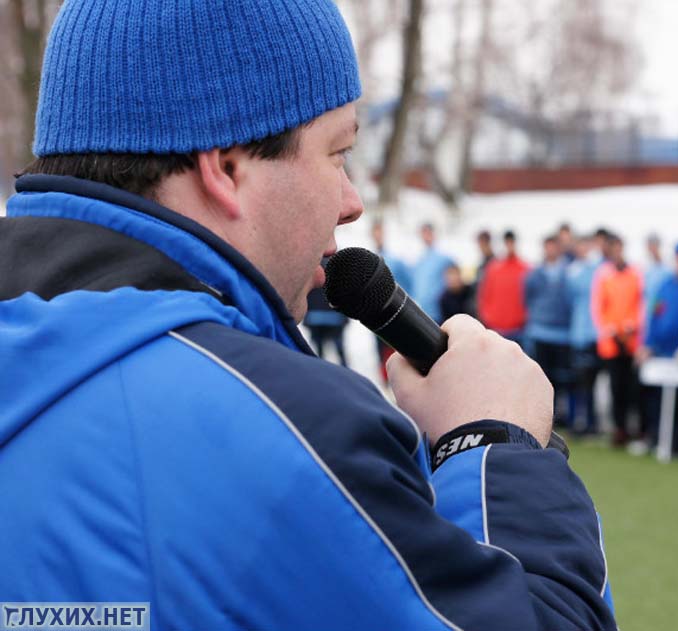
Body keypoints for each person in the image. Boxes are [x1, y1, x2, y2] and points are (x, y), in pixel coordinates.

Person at [0, 2, 617, 629]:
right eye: (337, 152)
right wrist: (493, 448)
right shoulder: (282, 428)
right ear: (228, 167)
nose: (351, 202)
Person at [640, 242, 678, 457]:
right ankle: (663, 440)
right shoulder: (665, 285)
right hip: (663, 352)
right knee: (660, 400)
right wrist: (648, 344)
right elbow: (655, 316)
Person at [592, 235, 643, 447]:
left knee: (633, 388)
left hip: (631, 341)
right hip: (612, 342)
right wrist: (608, 329)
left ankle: (634, 429)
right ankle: (619, 429)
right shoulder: (604, 276)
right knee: (616, 388)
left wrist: (633, 325)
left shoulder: (634, 275)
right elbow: (598, 307)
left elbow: (640, 303)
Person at [525, 236, 574, 424]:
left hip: (562, 334)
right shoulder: (535, 274)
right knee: (542, 377)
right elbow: (528, 298)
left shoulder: (569, 272)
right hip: (541, 332)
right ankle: (543, 416)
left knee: (561, 378)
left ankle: (561, 415)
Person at [567, 235, 604, 434]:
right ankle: (578, 421)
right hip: (578, 334)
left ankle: (591, 421)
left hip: (593, 333)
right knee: (578, 380)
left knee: (591, 381)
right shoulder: (574, 270)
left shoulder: (595, 269)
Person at [372, 219, 413, 383]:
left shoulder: (395, 260)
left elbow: (408, 284)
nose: (378, 236)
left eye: (380, 232)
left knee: (397, 352)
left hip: (395, 315)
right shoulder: (369, 259)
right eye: (375, 233)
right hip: (374, 316)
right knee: (380, 353)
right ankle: (385, 382)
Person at [478, 230, 530, 342]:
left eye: (512, 242)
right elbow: (484, 295)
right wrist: (488, 316)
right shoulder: (493, 268)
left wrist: (523, 318)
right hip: (495, 328)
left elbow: (530, 298)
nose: (509, 246)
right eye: (507, 243)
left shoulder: (525, 269)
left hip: (518, 329)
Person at [411, 222, 455, 322]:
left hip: (441, 313)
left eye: (428, 233)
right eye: (423, 233)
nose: (426, 237)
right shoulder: (420, 261)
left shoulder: (444, 259)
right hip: (425, 313)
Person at [304, 284, 349, 367]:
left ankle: (321, 369)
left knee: (319, 350)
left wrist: (306, 319)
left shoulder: (313, 278)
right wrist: (345, 319)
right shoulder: (337, 279)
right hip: (335, 319)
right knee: (339, 349)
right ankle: (346, 370)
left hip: (315, 319)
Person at [642, 232, 672, 331]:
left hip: (664, 314)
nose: (652, 248)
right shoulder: (645, 269)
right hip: (649, 318)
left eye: (654, 244)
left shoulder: (668, 268)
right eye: (650, 245)